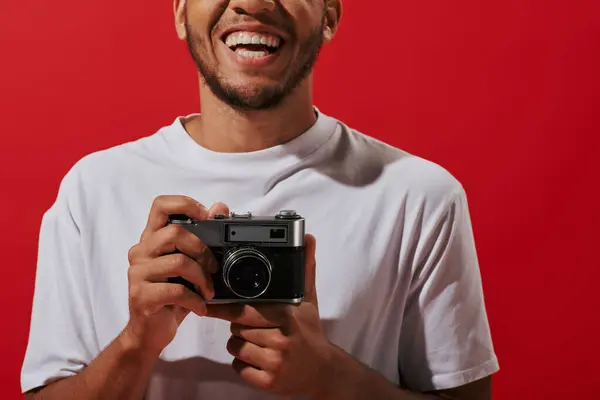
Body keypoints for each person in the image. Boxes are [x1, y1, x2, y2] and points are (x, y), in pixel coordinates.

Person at [20, 0, 499, 399]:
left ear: (330, 14)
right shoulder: (93, 189)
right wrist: (137, 342)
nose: (252, 2)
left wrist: (330, 380)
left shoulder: (419, 197)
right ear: (181, 11)